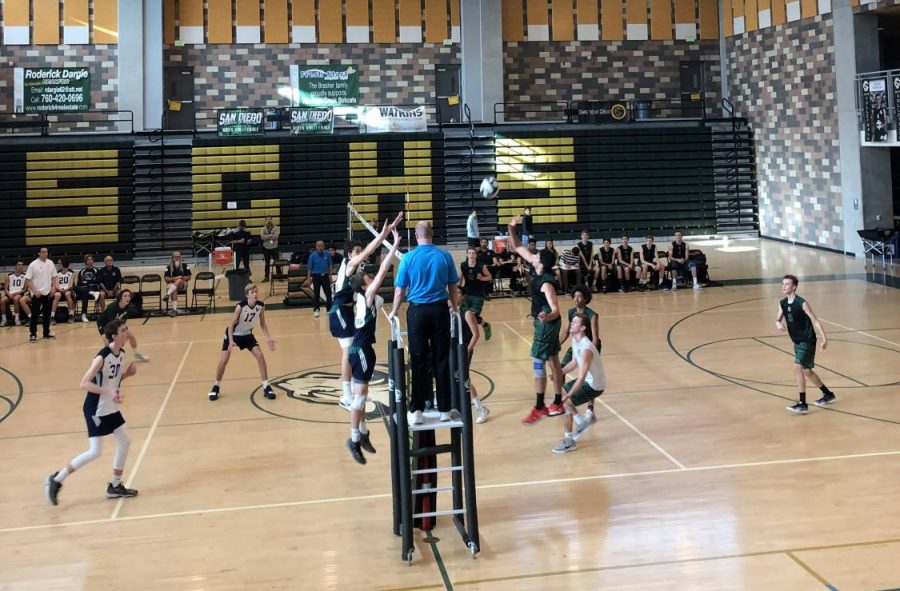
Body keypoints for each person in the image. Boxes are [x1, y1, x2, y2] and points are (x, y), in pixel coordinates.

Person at [45, 319, 139, 505]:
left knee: (125, 441)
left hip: (109, 407)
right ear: (114, 335)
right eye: (123, 330)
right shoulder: (102, 357)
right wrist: (108, 392)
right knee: (95, 451)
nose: (126, 333)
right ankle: (56, 479)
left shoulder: (121, 353)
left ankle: (114, 485)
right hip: (96, 409)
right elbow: (84, 383)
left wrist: (126, 375)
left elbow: (112, 380)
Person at [331, 213, 404, 411]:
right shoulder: (349, 265)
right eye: (356, 251)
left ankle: (353, 391)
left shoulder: (356, 267)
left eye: (359, 250)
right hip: (339, 310)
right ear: (349, 255)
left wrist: (385, 235)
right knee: (348, 351)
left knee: (352, 348)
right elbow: (369, 253)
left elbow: (370, 254)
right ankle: (346, 396)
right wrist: (382, 235)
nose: (360, 253)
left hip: (347, 309)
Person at [390, 221, 461, 425]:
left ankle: (417, 410)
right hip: (440, 311)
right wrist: (455, 308)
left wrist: (394, 311)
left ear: (416, 235)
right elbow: (453, 287)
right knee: (441, 360)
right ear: (433, 233)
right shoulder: (444, 256)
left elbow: (399, 291)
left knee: (418, 360)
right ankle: (445, 410)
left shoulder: (408, 258)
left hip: (418, 313)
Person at [346, 228, 400, 464]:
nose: (371, 278)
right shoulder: (366, 296)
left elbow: (369, 276)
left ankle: (362, 434)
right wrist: (394, 244)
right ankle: (354, 438)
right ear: (364, 285)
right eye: (368, 278)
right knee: (359, 399)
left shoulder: (360, 297)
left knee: (362, 396)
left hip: (358, 349)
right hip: (363, 350)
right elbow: (384, 271)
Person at [507, 216, 565, 425]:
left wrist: (545, 316)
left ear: (542, 263)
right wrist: (511, 227)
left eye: (538, 254)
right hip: (543, 321)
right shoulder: (534, 264)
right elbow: (517, 246)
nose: (534, 253)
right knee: (553, 361)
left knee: (537, 362)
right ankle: (557, 403)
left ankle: (540, 407)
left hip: (547, 323)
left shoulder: (546, 283)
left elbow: (556, 310)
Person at [777, 275, 835, 414]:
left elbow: (815, 320)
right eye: (783, 284)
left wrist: (824, 338)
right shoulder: (782, 303)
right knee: (806, 371)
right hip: (797, 342)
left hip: (807, 340)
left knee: (797, 368)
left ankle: (802, 403)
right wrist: (778, 323)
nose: (783, 286)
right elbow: (777, 318)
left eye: (787, 284)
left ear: (794, 286)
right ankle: (828, 394)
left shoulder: (801, 302)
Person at [208, 284, 276, 401]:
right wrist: (230, 341)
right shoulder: (240, 307)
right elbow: (231, 326)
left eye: (256, 292)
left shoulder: (261, 306)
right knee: (224, 360)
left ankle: (266, 387)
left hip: (247, 335)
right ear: (247, 295)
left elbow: (263, 324)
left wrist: (268, 338)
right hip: (233, 334)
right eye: (252, 292)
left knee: (260, 356)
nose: (255, 294)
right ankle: (216, 386)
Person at [552, 313, 606, 454]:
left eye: (575, 322)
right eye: (572, 321)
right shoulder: (576, 341)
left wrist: (568, 396)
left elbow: (581, 378)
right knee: (562, 395)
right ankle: (580, 421)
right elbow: (574, 362)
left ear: (582, 327)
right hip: (588, 380)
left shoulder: (586, 348)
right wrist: (560, 372)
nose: (571, 323)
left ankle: (569, 441)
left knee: (565, 401)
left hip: (594, 385)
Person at [559, 285, 602, 419]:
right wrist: (555, 346)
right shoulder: (571, 312)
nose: (576, 299)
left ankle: (590, 409)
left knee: (589, 378)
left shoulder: (592, 315)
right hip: (576, 346)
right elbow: (565, 332)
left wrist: (590, 354)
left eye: (580, 296)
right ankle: (561, 400)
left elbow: (595, 338)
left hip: (589, 348)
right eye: (575, 296)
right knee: (561, 369)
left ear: (585, 299)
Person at [459, 276, 490, 425]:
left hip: (464, 347)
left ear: (463, 296)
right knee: (455, 376)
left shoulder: (467, 313)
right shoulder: (450, 311)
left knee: (463, 377)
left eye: (458, 293)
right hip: (454, 347)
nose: (454, 295)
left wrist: (466, 350)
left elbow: (476, 335)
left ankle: (480, 408)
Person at [97, 289, 149, 362]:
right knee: (108, 343)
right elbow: (111, 325)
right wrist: (120, 338)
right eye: (125, 296)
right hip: (104, 323)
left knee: (131, 336)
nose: (127, 297)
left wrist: (124, 335)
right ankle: (101, 359)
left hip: (118, 322)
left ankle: (136, 354)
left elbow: (122, 322)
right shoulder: (112, 307)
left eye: (129, 296)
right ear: (120, 298)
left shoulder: (128, 307)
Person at [459, 247, 494, 345]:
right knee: (464, 315)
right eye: (469, 253)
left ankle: (484, 327)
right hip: (466, 293)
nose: (471, 255)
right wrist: (459, 289)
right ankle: (484, 325)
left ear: (476, 255)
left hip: (478, 295)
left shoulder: (481, 266)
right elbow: (461, 278)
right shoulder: (463, 265)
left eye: (473, 253)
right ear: (466, 255)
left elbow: (490, 277)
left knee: (472, 316)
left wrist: (482, 278)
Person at [24, 246, 58, 343]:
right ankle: (33, 334)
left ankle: (46, 333)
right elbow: (28, 279)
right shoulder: (33, 264)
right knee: (34, 315)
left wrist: (53, 288)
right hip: (37, 294)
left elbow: (54, 277)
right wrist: (34, 291)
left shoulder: (50, 263)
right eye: (43, 252)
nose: (45, 253)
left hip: (48, 293)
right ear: (39, 253)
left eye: (46, 252)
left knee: (47, 315)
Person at [306, 240, 333, 318]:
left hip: (325, 276)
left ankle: (329, 309)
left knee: (328, 293)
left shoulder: (327, 254)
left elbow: (330, 265)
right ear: (316, 247)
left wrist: (330, 276)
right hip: (316, 276)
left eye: (322, 246)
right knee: (316, 294)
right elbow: (309, 268)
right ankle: (316, 309)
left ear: (324, 246)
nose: (320, 247)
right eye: (318, 246)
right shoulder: (312, 256)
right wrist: (308, 278)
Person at [75, 255, 102, 322]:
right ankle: (90, 292)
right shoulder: (81, 271)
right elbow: (79, 284)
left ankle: (83, 314)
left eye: (91, 259)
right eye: (88, 260)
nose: (90, 261)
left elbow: (98, 282)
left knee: (85, 294)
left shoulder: (96, 270)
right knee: (75, 288)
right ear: (85, 261)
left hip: (93, 288)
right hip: (84, 289)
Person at [164, 251, 192, 316]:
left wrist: (180, 278)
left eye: (179, 257)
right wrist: (174, 278)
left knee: (179, 280)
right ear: (172, 258)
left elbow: (189, 277)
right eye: (176, 257)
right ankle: (174, 310)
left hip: (183, 284)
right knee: (174, 288)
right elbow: (166, 278)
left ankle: (167, 295)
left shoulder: (185, 265)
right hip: (172, 285)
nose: (177, 258)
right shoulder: (168, 267)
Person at [5, 260, 31, 326]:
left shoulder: (25, 276)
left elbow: (25, 289)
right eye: (19, 265)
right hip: (10, 293)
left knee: (16, 299)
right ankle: (4, 319)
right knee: (2, 300)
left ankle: (17, 318)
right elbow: (5, 289)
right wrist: (9, 294)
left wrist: (18, 292)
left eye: (22, 265)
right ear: (15, 266)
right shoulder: (9, 275)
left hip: (19, 293)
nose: (21, 266)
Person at [50, 259, 76, 324]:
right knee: (57, 295)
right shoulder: (57, 273)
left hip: (68, 290)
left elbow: (71, 284)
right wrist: (60, 290)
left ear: (64, 264)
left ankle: (71, 314)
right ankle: (52, 316)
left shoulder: (72, 273)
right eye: (58, 263)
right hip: (59, 290)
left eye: (60, 263)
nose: (58, 265)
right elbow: (56, 285)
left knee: (67, 294)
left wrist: (66, 289)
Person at [260, 216, 280, 282]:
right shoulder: (263, 228)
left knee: (277, 262)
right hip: (266, 248)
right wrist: (271, 236)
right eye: (267, 219)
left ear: (272, 220)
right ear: (265, 220)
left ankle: (279, 276)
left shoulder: (277, 228)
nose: (269, 221)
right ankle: (266, 277)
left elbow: (276, 236)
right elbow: (262, 237)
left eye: (270, 219)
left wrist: (267, 236)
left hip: (274, 247)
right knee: (267, 263)